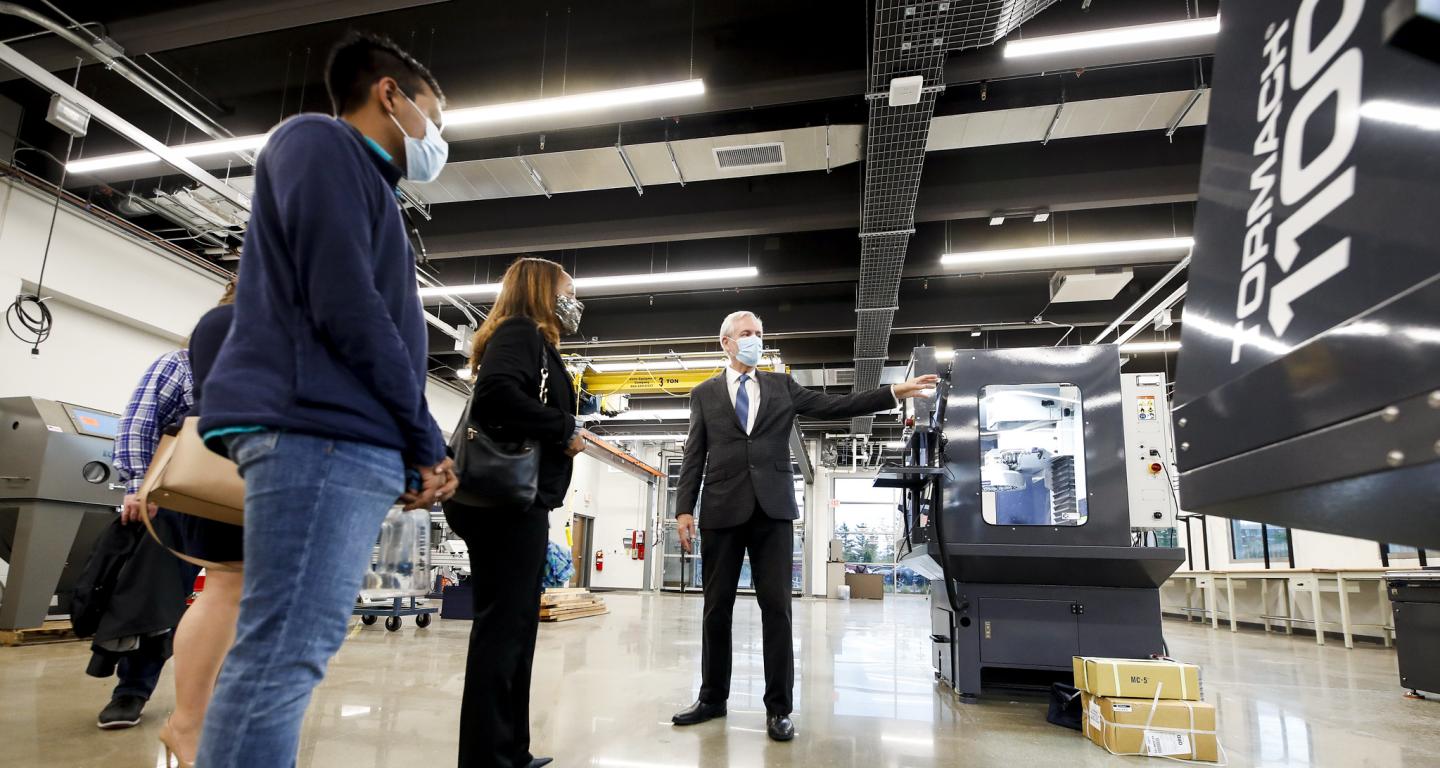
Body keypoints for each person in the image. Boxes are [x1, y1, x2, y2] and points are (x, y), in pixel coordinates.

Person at [193, 32, 457, 768]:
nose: (437, 138)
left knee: (287, 655)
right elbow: (347, 305)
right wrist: (424, 436)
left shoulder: (371, 184)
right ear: (390, 95)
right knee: (282, 659)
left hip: (338, 436)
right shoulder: (318, 142)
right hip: (317, 433)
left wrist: (408, 444)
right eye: (433, 116)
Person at [670, 311, 938, 741]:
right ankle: (712, 698)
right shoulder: (703, 394)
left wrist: (893, 392)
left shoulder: (782, 386)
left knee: (777, 609)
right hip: (721, 508)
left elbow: (837, 405)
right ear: (726, 342)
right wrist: (685, 508)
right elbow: (693, 454)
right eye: (746, 334)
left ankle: (779, 709)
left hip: (773, 510)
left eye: (759, 333)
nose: (755, 339)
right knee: (715, 609)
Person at [443, 257, 586, 768]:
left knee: (514, 628)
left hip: (514, 501)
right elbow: (499, 396)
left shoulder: (530, 340)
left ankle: (508, 750)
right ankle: (488, 757)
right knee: (503, 630)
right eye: (567, 292)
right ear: (542, 292)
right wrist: (563, 429)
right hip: (505, 503)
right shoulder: (520, 332)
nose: (574, 302)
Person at [157, 279, 244, 767]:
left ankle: (204, 720)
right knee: (226, 593)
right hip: (229, 472)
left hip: (236, 470)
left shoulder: (231, 324)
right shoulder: (229, 323)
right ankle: (187, 723)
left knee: (236, 597)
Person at [96, 350, 200, 730]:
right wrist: (140, 484)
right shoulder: (185, 362)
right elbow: (142, 421)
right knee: (151, 597)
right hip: (177, 496)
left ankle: (223, 697)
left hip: (250, 500)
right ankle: (132, 690)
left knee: (241, 604)